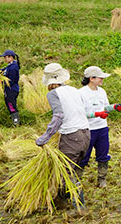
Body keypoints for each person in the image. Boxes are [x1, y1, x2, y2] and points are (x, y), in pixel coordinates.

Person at [35, 63, 91, 208]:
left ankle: (79, 206)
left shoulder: (53, 94)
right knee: (74, 169)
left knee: (66, 172)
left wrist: (45, 137)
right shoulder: (75, 90)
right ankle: (62, 200)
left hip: (72, 136)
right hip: (85, 134)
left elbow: (59, 115)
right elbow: (82, 111)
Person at [79, 66, 121, 188]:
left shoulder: (102, 91)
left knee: (103, 154)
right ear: (91, 78)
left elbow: (105, 108)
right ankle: (76, 180)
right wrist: (96, 114)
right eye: (100, 77)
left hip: (102, 128)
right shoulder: (81, 93)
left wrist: (113, 107)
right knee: (83, 157)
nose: (102, 79)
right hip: (88, 130)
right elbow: (80, 113)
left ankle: (102, 179)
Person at [0, 49, 21, 126]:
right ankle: (14, 120)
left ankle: (16, 121)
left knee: (11, 104)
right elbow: (3, 71)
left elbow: (11, 80)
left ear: (11, 57)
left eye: (5, 57)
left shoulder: (13, 68)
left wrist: (2, 82)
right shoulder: (10, 66)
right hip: (8, 89)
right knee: (9, 103)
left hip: (12, 89)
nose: (4, 59)